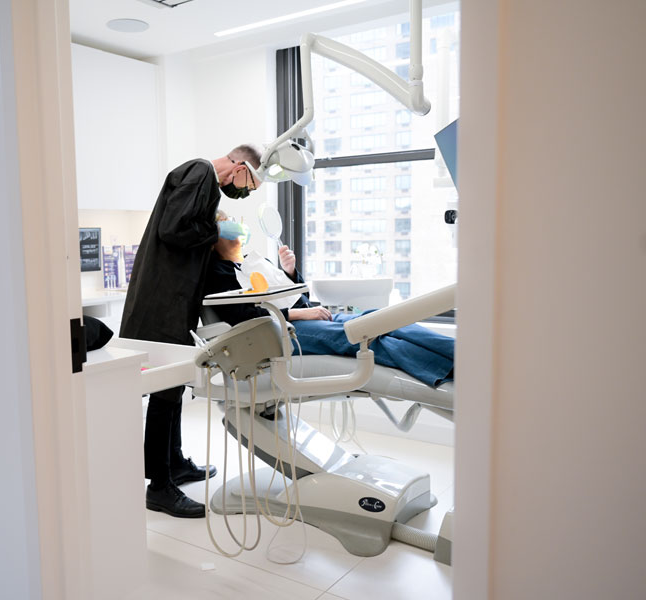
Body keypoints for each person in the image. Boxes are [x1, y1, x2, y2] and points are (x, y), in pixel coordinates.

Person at [120, 144, 263, 519]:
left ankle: (175, 463)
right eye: (249, 185)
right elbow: (173, 230)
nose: (244, 193)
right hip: (162, 302)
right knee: (164, 391)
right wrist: (216, 229)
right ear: (240, 167)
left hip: (172, 300)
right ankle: (159, 486)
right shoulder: (201, 173)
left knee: (174, 387)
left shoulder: (204, 182)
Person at [204, 223, 454, 388]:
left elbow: (294, 295)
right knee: (365, 339)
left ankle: (460, 352)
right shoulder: (217, 273)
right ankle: (449, 371)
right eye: (225, 223)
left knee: (381, 319)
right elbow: (243, 316)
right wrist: (301, 314)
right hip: (283, 331)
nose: (234, 227)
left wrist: (289, 271)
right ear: (214, 239)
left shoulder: (254, 261)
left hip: (309, 316)